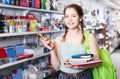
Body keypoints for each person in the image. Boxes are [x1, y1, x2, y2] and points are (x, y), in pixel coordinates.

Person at [39, 4, 100, 79]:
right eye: (67, 16)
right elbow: (57, 66)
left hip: (84, 76)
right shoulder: (58, 39)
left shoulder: (89, 36)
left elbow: (96, 61)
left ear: (80, 18)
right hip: (63, 77)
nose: (69, 19)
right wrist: (52, 49)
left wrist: (77, 66)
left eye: (73, 16)